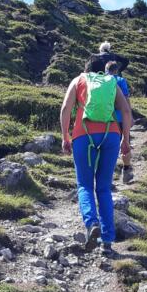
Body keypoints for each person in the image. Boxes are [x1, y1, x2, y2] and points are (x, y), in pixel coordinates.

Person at [60, 60, 132, 255]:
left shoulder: (78, 80)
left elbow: (66, 108)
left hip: (83, 134)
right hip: (111, 134)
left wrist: (65, 137)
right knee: (103, 188)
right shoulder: (112, 83)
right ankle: (107, 241)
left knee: (84, 184)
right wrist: (126, 140)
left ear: (86, 70)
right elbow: (126, 111)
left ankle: (92, 223)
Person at [105, 60, 134, 184]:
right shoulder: (121, 81)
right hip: (121, 118)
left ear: (106, 70)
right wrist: (130, 116)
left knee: (107, 148)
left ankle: (106, 177)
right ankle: (126, 170)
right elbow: (126, 99)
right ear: (117, 70)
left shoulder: (102, 81)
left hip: (106, 119)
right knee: (125, 144)